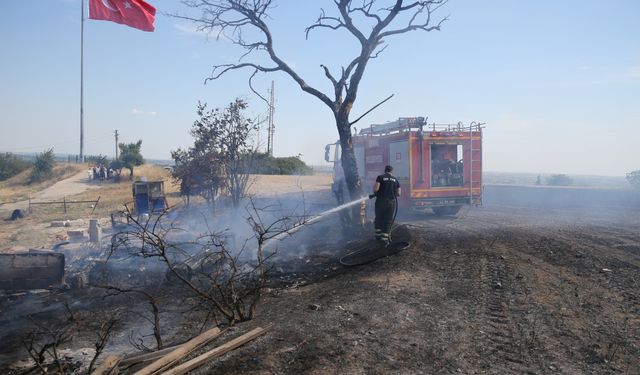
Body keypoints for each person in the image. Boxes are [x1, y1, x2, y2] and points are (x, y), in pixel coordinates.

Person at [371, 165, 401, 245]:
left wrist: (376, 192)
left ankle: (378, 238)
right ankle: (384, 240)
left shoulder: (380, 177)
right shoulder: (396, 180)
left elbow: (375, 189)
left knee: (379, 219)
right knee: (388, 221)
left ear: (385, 170)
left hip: (381, 202)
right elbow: (399, 194)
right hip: (391, 203)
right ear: (392, 171)